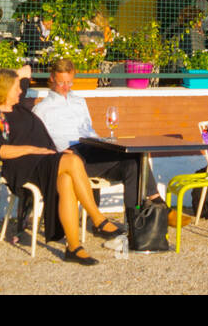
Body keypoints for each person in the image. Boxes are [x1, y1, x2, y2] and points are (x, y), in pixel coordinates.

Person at [0, 66, 123, 264]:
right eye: (15, 88)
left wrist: (15, 77)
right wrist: (33, 149)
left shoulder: (17, 106)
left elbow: (25, 71)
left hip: (45, 161)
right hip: (24, 166)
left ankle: (73, 247)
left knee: (66, 179)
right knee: (72, 159)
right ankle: (97, 218)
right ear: (3, 90)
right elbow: (0, 151)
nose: (20, 91)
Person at [31, 58, 188, 225]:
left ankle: (134, 226)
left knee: (134, 162)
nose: (65, 87)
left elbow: (88, 129)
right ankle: (160, 205)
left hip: (91, 146)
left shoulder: (79, 101)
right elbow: (39, 142)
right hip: (70, 154)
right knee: (133, 158)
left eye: (69, 83)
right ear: (52, 78)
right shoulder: (41, 109)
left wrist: (102, 141)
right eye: (61, 82)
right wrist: (58, 153)